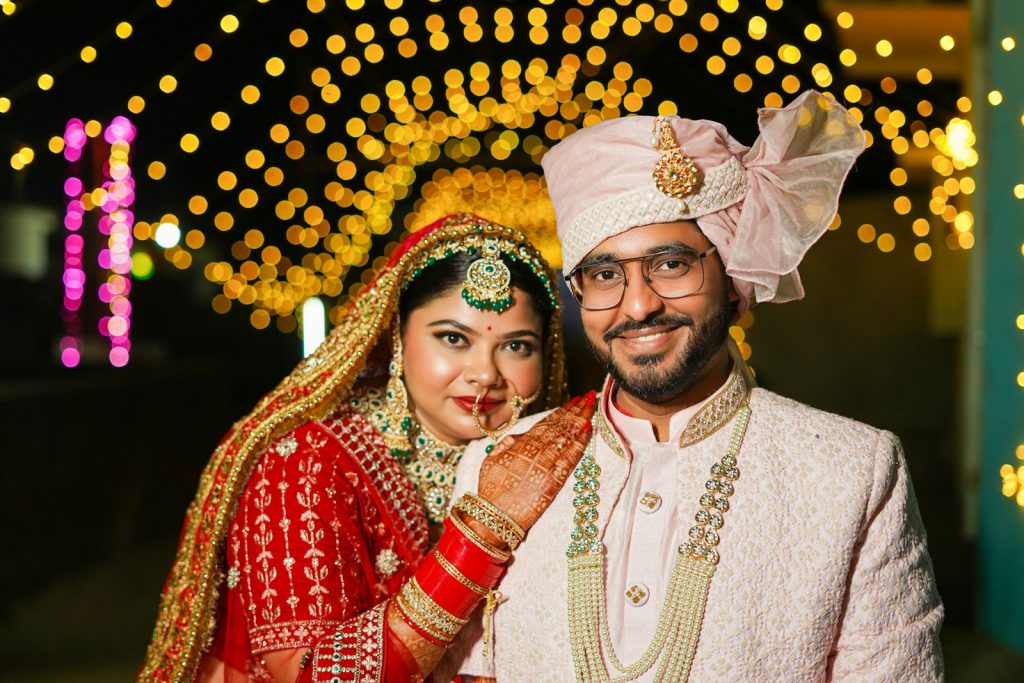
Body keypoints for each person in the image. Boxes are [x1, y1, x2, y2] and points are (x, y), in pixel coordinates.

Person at [441, 91, 944, 681]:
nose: (637, 305)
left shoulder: (853, 471)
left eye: (671, 264)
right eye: (604, 275)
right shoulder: (496, 464)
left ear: (732, 278)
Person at [138, 213, 595, 683]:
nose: (485, 373)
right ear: (396, 336)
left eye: (517, 346)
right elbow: (312, 676)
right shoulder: (306, 464)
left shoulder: (554, 457)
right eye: (453, 338)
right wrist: (482, 534)